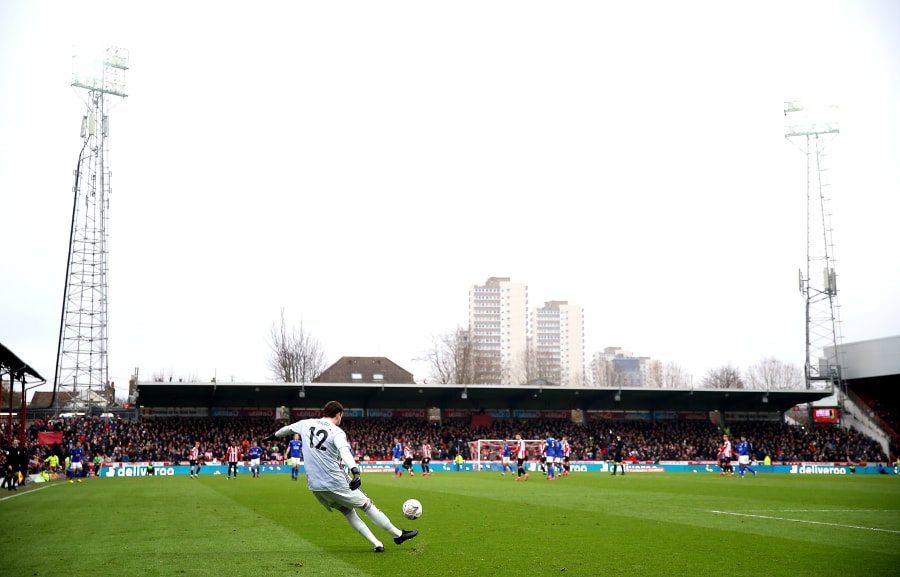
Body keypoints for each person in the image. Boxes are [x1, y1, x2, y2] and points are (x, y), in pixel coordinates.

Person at [264, 401, 417, 553]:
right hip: (335, 481)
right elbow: (345, 452)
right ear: (338, 415)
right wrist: (355, 470)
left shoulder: (306, 423)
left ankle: (377, 543)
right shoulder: (336, 431)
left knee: (348, 512)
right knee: (367, 505)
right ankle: (398, 535)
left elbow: (286, 429)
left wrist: (272, 437)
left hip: (316, 487)